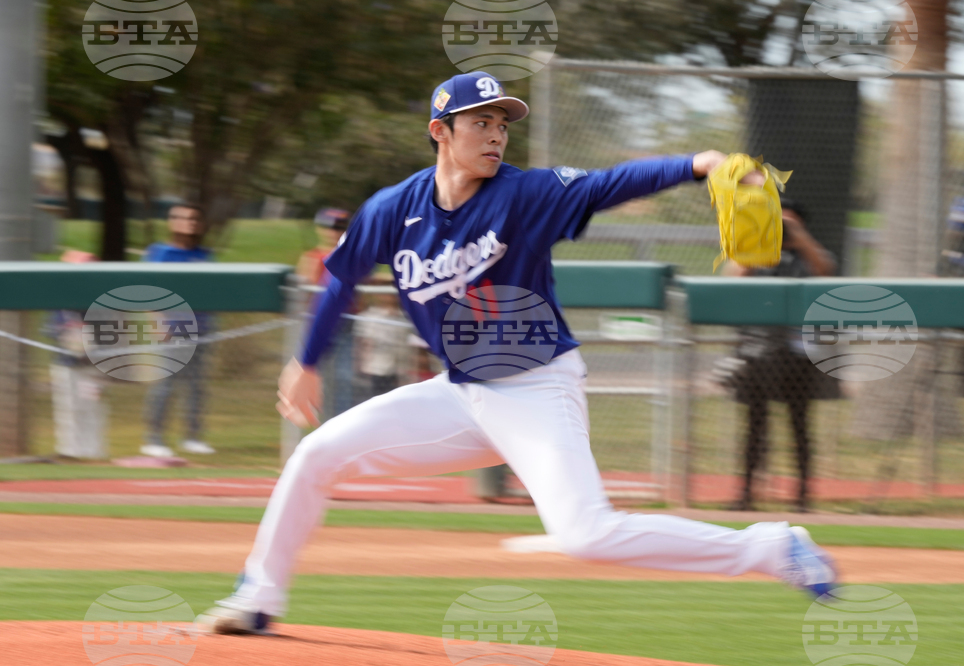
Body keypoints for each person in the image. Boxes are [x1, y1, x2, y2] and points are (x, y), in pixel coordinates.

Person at [197, 72, 837, 635]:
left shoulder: (526, 194)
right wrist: (306, 361)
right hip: (459, 395)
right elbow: (341, 277)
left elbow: (609, 184)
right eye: (481, 121)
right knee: (315, 456)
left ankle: (776, 549)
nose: (497, 133)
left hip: (536, 388)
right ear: (440, 131)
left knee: (585, 533)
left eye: (502, 122)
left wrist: (699, 162)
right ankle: (257, 597)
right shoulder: (392, 209)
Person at [726, 197, 836, 512]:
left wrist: (799, 237)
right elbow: (733, 276)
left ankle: (803, 497)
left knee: (799, 426)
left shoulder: (809, 255)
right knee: (754, 428)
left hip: (797, 355)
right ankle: (746, 493)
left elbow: (825, 270)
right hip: (757, 352)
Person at [141, 203, 216, 458]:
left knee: (196, 386)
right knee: (166, 385)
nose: (191, 223)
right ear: (172, 222)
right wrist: (157, 320)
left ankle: (192, 436)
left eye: (195, 218)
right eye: (184, 218)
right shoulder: (160, 252)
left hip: (201, 327)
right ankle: (153, 438)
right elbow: (147, 290)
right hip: (172, 328)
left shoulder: (204, 255)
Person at [46, 250, 108, 459]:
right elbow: (51, 329)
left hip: (93, 366)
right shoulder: (60, 302)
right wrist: (69, 337)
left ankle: (94, 452)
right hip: (67, 364)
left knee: (92, 407)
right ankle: (71, 452)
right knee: (69, 408)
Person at [297, 208, 357, 420]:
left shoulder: (351, 256)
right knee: (317, 375)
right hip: (320, 324)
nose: (335, 232)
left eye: (340, 228)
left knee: (344, 377)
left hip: (346, 323)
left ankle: (339, 421)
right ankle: (316, 419)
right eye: (331, 227)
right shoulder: (314, 257)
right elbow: (305, 291)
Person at [353, 274, 410, 400]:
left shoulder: (405, 317)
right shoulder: (368, 316)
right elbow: (363, 343)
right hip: (375, 370)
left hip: (397, 372)